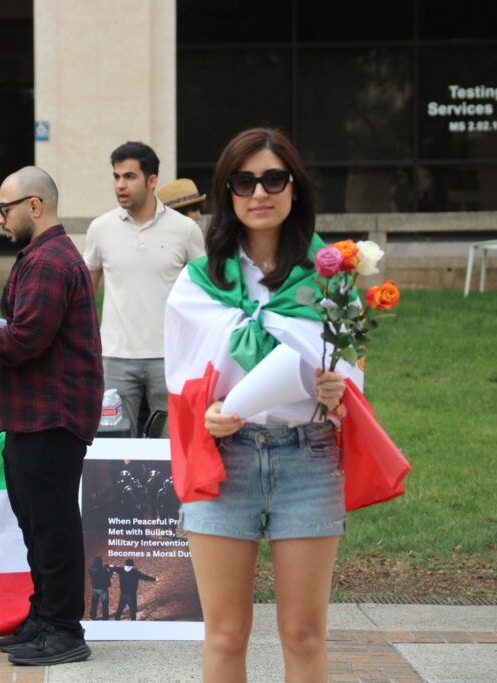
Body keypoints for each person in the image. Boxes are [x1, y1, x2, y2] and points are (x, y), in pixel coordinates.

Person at [164, 127, 357, 681]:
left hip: (308, 457)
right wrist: (207, 414)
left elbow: (351, 371)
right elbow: (182, 380)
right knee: (224, 636)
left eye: (274, 178)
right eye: (243, 181)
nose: (259, 193)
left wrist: (335, 395)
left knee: (303, 636)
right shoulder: (202, 279)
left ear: (294, 187)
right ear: (227, 193)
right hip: (225, 461)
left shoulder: (331, 272)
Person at [0, 166, 102, 666]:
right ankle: (45, 615)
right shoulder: (40, 257)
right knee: (36, 522)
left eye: (4, 209)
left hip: (52, 414)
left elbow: (26, 338)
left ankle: (65, 628)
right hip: (34, 412)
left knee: (51, 523)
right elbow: (27, 328)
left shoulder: (50, 260)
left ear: (34, 206)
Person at [84, 142, 205, 437]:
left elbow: (204, 296)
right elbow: (84, 295)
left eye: (129, 176)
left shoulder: (186, 230)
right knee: (113, 446)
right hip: (114, 356)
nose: (121, 185)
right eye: (116, 177)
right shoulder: (100, 228)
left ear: (152, 181)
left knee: (173, 445)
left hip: (171, 355)